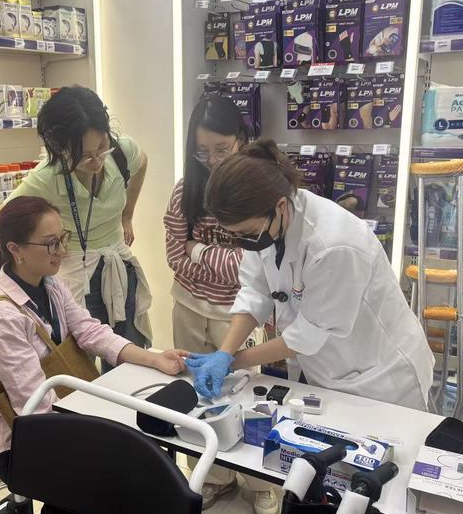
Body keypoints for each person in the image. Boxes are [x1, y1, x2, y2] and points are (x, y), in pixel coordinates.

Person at [0, 196, 184, 514]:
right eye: (51, 243)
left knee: (140, 466)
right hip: (21, 441)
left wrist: (154, 358)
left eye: (63, 238)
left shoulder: (50, 284)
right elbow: (33, 404)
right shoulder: (3, 313)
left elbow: (90, 331)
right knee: (120, 481)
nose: (62, 251)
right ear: (15, 249)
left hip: (63, 414)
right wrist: (96, 442)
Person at [186, 140, 434, 412]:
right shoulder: (268, 222)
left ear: (280, 206)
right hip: (328, 369)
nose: (243, 241)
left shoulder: (334, 245)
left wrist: (233, 362)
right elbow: (255, 291)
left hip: (381, 378)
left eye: (247, 233)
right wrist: (224, 351)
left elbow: (308, 334)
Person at [164, 96, 279, 514]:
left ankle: (261, 481)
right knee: (197, 393)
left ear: (241, 139)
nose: (211, 160)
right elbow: (174, 255)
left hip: (239, 315)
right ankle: (213, 475)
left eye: (221, 149)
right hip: (189, 307)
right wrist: (204, 255)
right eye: (202, 151)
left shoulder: (255, 190)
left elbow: (252, 270)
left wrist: (198, 249)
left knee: (247, 395)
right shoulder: (186, 191)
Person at [0, 87, 150, 370]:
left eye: (102, 147)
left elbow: (142, 163)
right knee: (80, 364)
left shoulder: (122, 152)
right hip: (75, 278)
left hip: (118, 269)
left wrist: (127, 216)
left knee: (128, 358)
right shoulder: (46, 178)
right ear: (59, 148)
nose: (97, 161)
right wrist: (45, 249)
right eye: (85, 156)